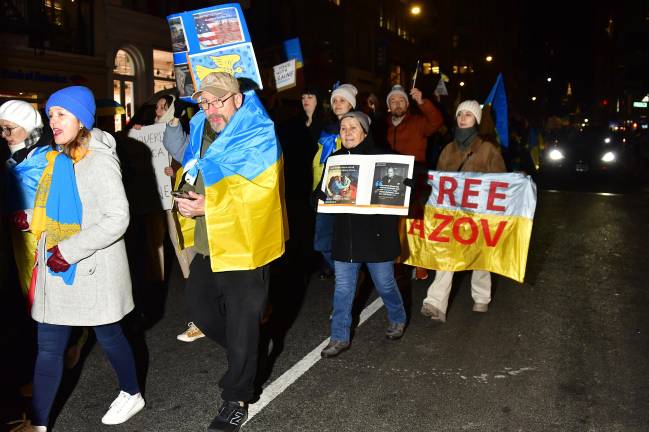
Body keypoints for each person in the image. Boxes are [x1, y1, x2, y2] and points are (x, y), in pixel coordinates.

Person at [166, 72, 287, 432]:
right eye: (204, 101)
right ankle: (246, 349)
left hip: (246, 246)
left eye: (218, 100)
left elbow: (260, 193)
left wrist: (211, 206)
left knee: (241, 323)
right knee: (202, 313)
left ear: (237, 97)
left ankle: (236, 397)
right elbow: (192, 169)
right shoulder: (201, 126)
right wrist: (186, 198)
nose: (211, 108)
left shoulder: (259, 132)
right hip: (209, 243)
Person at [25, 86, 144, 431]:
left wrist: (69, 250)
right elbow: (49, 209)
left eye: (62, 114)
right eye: (51, 114)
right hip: (57, 269)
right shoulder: (57, 158)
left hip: (91, 269)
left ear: (82, 119)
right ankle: (38, 423)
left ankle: (132, 392)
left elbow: (117, 217)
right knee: (48, 349)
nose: (54, 121)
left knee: (110, 336)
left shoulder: (99, 159)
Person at [316, 111, 407, 358]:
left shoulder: (384, 159)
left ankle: (397, 317)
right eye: (343, 128)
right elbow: (320, 195)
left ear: (364, 132)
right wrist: (323, 196)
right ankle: (338, 337)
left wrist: (406, 185)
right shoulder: (334, 160)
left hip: (377, 237)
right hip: (347, 237)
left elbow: (402, 187)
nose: (346, 133)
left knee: (384, 283)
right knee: (343, 288)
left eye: (352, 128)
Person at [421, 100, 506, 322]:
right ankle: (435, 303)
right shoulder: (448, 149)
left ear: (476, 120)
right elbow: (440, 179)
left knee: (479, 257)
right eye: (460, 114)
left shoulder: (488, 149)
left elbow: (500, 181)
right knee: (446, 257)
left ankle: (481, 297)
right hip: (451, 215)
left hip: (478, 215)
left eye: (468, 114)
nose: (463, 118)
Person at [385, 84, 444, 280]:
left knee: (415, 222)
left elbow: (436, 122)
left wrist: (422, 101)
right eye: (393, 101)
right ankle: (397, 260)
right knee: (393, 223)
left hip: (415, 176)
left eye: (401, 100)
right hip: (390, 177)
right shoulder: (382, 126)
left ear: (407, 104)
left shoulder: (418, 122)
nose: (397, 103)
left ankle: (419, 262)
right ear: (389, 106)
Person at [311, 83, 357, 279]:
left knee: (347, 242)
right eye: (335, 100)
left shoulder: (358, 127)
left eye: (343, 100)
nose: (338, 104)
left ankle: (348, 276)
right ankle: (345, 273)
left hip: (347, 193)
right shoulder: (326, 130)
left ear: (352, 104)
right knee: (321, 243)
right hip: (323, 192)